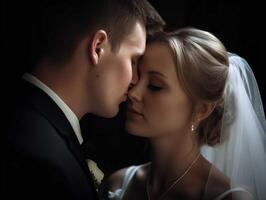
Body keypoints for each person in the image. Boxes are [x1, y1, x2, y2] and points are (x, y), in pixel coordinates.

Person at [2, 1, 165, 200]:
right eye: (133, 59)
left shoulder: (25, 120)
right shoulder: (39, 158)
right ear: (97, 47)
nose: (135, 80)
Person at [101, 28, 266, 200]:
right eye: (137, 77)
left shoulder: (227, 197)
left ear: (201, 109)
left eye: (155, 86)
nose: (133, 92)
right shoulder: (118, 183)